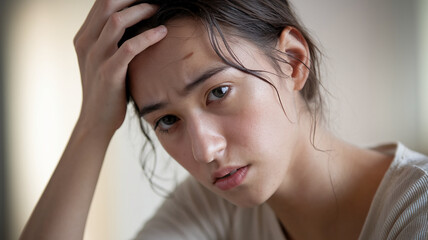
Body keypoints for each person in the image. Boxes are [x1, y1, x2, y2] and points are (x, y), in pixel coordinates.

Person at [20, 0, 428, 239]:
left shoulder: (416, 210)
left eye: (218, 92)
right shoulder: (213, 208)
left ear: (292, 62)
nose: (205, 150)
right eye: (166, 120)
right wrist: (92, 126)